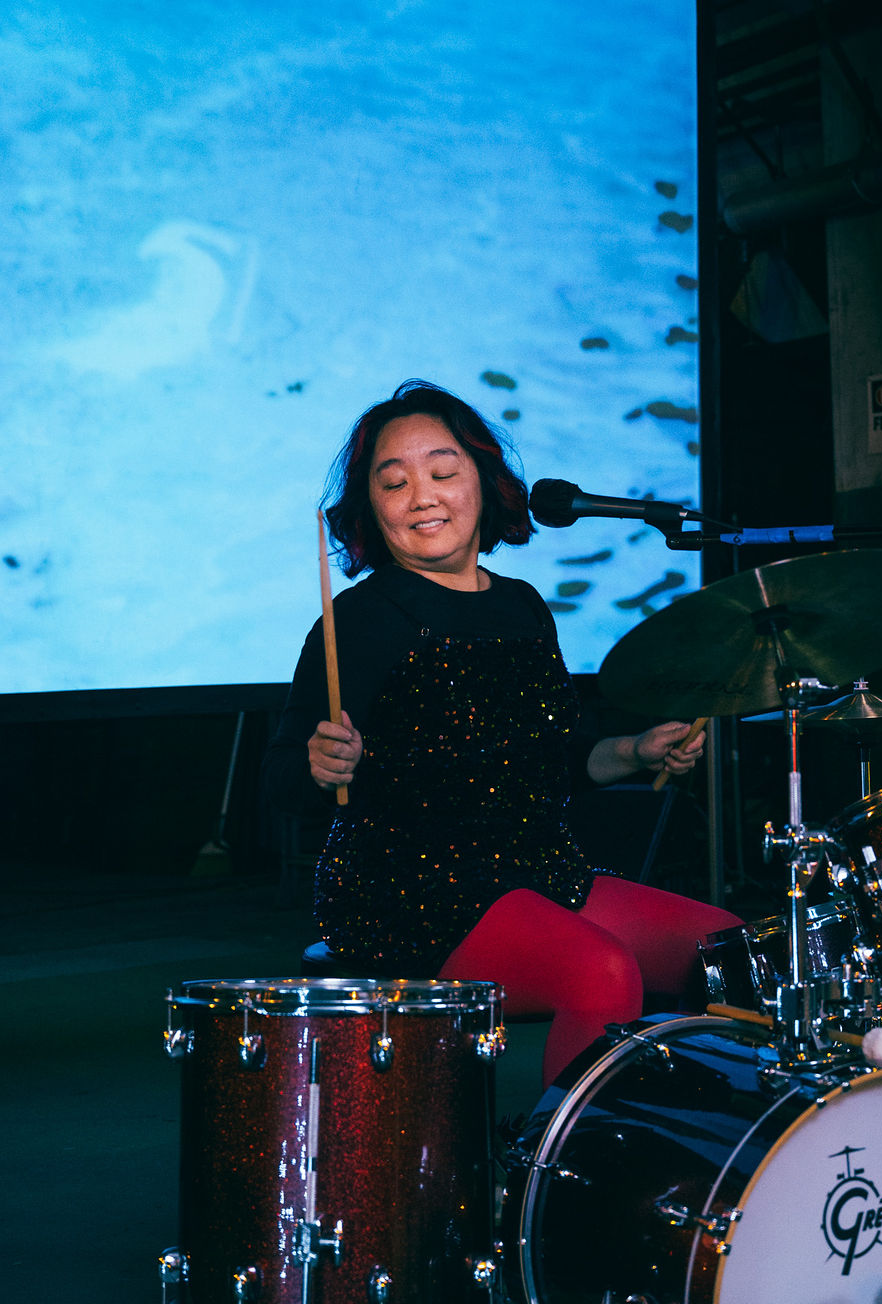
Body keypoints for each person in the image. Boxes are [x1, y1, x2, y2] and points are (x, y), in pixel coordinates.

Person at [263, 381, 742, 1088]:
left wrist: (638, 750)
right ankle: (550, 1188)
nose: (422, 495)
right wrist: (322, 762)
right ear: (372, 508)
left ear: (484, 485)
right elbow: (278, 779)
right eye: (394, 483)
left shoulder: (523, 606)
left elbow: (564, 759)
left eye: (443, 473)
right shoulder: (362, 619)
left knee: (728, 950)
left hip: (537, 870)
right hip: (411, 891)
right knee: (600, 973)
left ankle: (691, 1150)